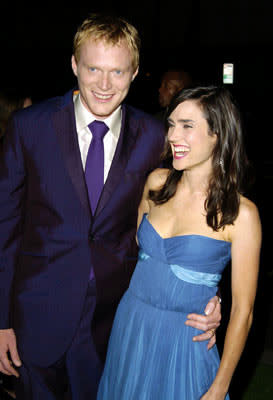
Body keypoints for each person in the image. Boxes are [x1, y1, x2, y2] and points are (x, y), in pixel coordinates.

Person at [0, 14, 221, 400]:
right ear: (74, 64)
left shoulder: (156, 137)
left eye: (117, 71)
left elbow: (192, 215)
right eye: (93, 69)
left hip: (116, 317)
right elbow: (4, 227)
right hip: (35, 314)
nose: (104, 85)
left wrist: (210, 299)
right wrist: (0, 319)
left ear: (134, 72)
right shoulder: (29, 126)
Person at [97, 85, 262, 399]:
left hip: (185, 341)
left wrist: (220, 387)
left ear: (219, 135)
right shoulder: (156, 183)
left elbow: (245, 310)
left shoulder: (242, 214)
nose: (173, 136)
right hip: (132, 326)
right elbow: (141, 257)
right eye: (171, 125)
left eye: (188, 126)